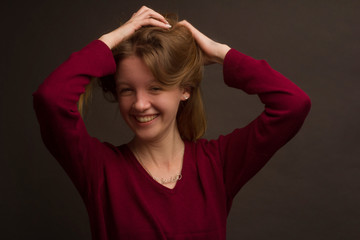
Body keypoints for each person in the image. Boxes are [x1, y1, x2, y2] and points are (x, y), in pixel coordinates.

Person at [33, 6, 311, 240]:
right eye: (127, 90)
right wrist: (109, 41)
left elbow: (293, 104)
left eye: (155, 88)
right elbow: (51, 99)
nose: (140, 104)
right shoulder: (99, 169)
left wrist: (221, 52)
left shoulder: (217, 165)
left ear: (185, 90)